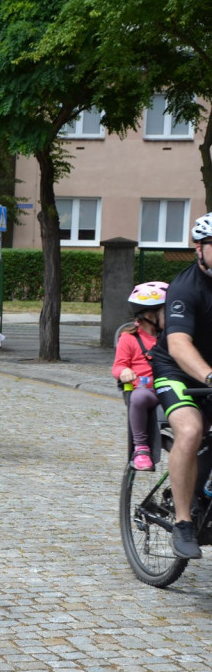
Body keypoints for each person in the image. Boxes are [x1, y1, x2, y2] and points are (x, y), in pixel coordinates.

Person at [149, 213, 212, 559]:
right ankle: (183, 522)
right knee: (190, 430)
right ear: (199, 249)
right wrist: (209, 376)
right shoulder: (185, 288)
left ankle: (200, 494)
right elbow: (179, 345)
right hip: (176, 369)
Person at [113, 281, 168, 472]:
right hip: (148, 390)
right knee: (139, 396)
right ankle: (141, 448)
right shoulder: (129, 338)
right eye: (165, 311)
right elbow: (118, 366)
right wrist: (124, 372)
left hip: (171, 387)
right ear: (149, 315)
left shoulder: (172, 337)